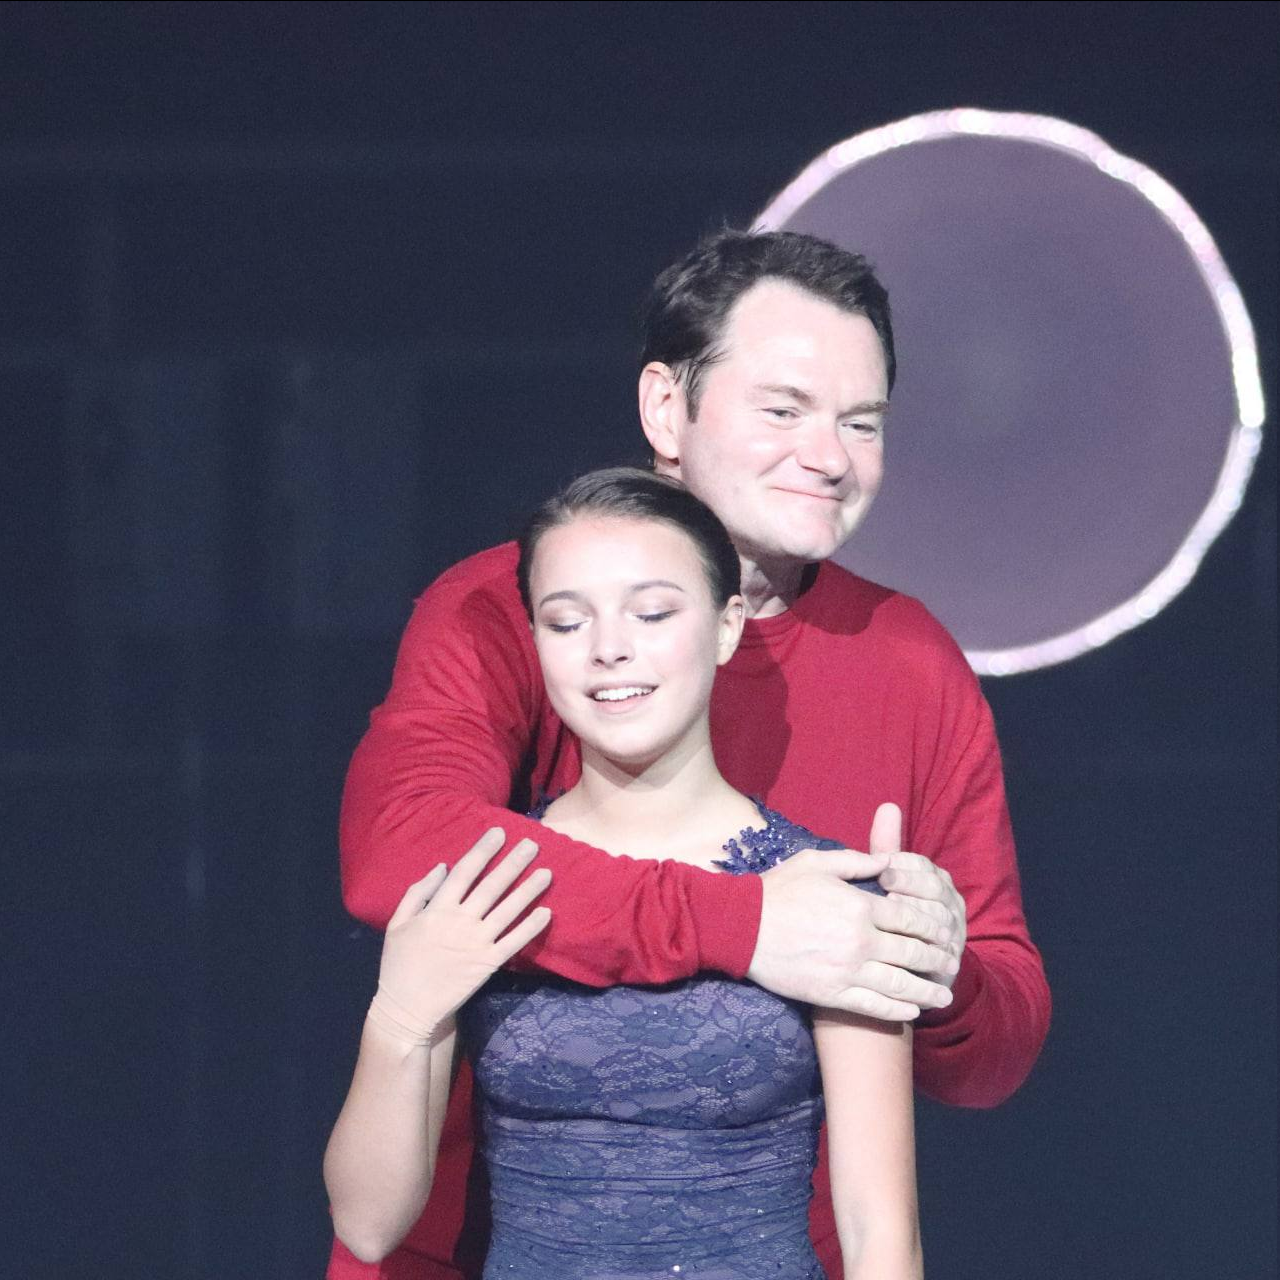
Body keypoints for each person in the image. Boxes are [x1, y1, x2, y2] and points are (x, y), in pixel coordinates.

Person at [328, 229, 1050, 1279]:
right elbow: (402, 852)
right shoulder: (509, 606)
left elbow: (995, 1047)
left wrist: (929, 968)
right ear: (667, 408)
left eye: (861, 421)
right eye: (783, 409)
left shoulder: (909, 661)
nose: (829, 455)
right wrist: (745, 923)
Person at [326, 469, 925, 1278]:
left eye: (652, 613)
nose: (609, 649)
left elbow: (879, 1231)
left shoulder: (826, 899)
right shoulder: (487, 883)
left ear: (727, 626)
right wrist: (399, 1020)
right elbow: (368, 1224)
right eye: (566, 621)